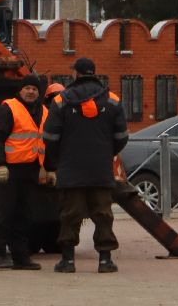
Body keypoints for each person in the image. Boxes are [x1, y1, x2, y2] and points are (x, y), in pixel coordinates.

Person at [43, 57, 129, 274]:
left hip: (70, 169)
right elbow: (121, 136)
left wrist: (56, 161)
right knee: (103, 214)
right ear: (93, 72)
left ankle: (67, 261)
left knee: (70, 214)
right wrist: (106, 152)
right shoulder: (112, 100)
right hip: (100, 169)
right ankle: (105, 260)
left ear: (76, 74)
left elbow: (51, 137)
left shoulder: (61, 101)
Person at [0, 75, 48, 270]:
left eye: (34, 89)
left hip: (31, 170)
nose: (31, 92)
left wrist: (50, 168)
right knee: (4, 213)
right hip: (10, 171)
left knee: (24, 215)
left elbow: (46, 142)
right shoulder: (9, 108)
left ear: (39, 93)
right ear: (20, 91)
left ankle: (21, 257)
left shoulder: (44, 111)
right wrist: (0, 164)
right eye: (27, 88)